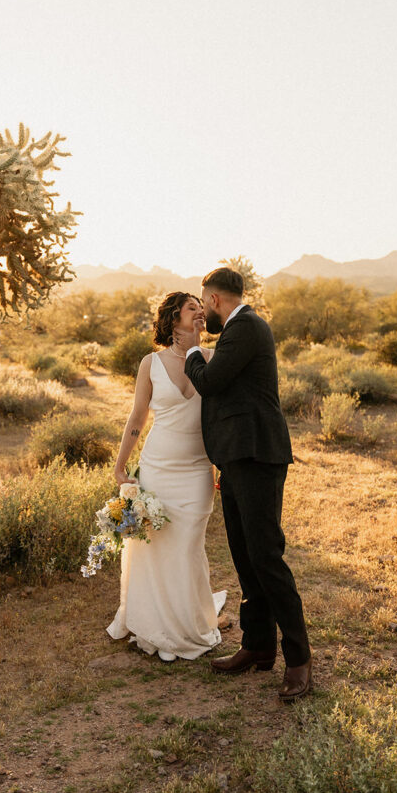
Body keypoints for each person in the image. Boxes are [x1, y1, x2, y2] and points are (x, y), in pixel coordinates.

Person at [173, 267, 312, 702]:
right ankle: (257, 646)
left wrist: (193, 350)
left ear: (214, 300)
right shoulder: (238, 331)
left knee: (267, 557)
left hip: (257, 458)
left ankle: (299, 661)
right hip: (236, 461)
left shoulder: (246, 327)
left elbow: (211, 382)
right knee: (245, 558)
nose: (204, 317)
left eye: (203, 304)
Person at [106, 291, 226, 661]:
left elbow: (223, 418)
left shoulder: (213, 358)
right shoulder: (151, 363)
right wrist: (120, 465)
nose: (201, 313)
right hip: (158, 466)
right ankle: (153, 622)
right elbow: (137, 418)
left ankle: (187, 625)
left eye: (202, 308)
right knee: (154, 548)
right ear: (175, 318)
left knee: (188, 547)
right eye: (193, 308)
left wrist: (225, 464)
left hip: (196, 471)